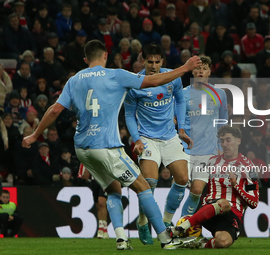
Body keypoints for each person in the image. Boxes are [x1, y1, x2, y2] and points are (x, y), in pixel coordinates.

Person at [22, 39, 201, 250]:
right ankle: (166, 239)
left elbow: (54, 110)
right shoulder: (116, 74)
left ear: (85, 59)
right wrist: (185, 68)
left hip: (82, 149)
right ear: (106, 56)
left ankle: (121, 239)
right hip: (106, 146)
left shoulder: (74, 80)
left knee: (113, 189)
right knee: (144, 186)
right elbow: (153, 82)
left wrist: (35, 135)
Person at [124, 43, 193, 245]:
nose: (153, 66)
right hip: (147, 138)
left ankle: (165, 222)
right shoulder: (135, 83)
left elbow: (180, 101)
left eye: (157, 61)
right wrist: (136, 139)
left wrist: (181, 129)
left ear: (162, 61)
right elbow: (128, 114)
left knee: (182, 178)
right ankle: (143, 221)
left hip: (170, 136)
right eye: (149, 61)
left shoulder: (172, 78)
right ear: (142, 60)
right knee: (150, 182)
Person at [171, 125, 259, 249]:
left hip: (232, 215)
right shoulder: (211, 161)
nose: (224, 144)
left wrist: (236, 185)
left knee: (223, 242)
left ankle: (198, 244)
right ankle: (179, 228)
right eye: (222, 141)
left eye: (228, 140)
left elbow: (254, 202)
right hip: (210, 210)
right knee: (224, 203)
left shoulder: (249, 167)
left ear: (238, 141)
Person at [180, 56, 228, 218]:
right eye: (198, 68)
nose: (201, 71)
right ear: (192, 70)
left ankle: (181, 226)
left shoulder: (219, 94)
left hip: (207, 151)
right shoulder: (183, 93)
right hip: (184, 150)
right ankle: (166, 222)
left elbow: (223, 123)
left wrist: (221, 148)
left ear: (210, 71)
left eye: (204, 68)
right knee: (179, 186)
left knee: (197, 190)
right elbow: (173, 119)